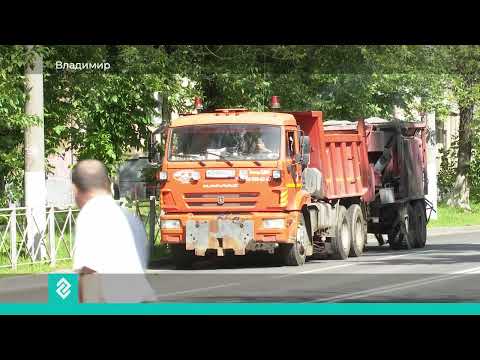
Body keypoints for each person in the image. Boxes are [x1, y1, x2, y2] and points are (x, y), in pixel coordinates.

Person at [72, 160, 156, 303]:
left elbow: (90, 277)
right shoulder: (130, 217)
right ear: (108, 184)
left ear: (75, 190)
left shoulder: (91, 214)